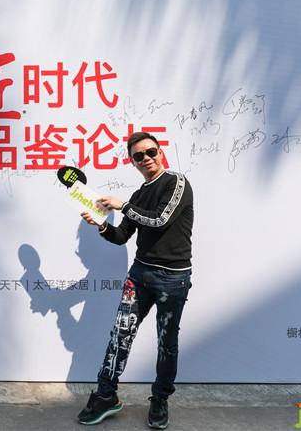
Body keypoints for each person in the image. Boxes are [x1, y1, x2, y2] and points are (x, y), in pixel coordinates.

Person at [76, 132, 194, 429]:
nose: (146, 159)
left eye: (150, 152)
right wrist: (102, 225)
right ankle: (106, 395)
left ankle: (160, 399)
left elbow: (160, 219)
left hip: (173, 278)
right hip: (140, 275)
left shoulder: (177, 182)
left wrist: (122, 206)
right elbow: (121, 236)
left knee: (166, 343)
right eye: (138, 156)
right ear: (133, 162)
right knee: (120, 335)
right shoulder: (139, 196)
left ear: (160, 152)